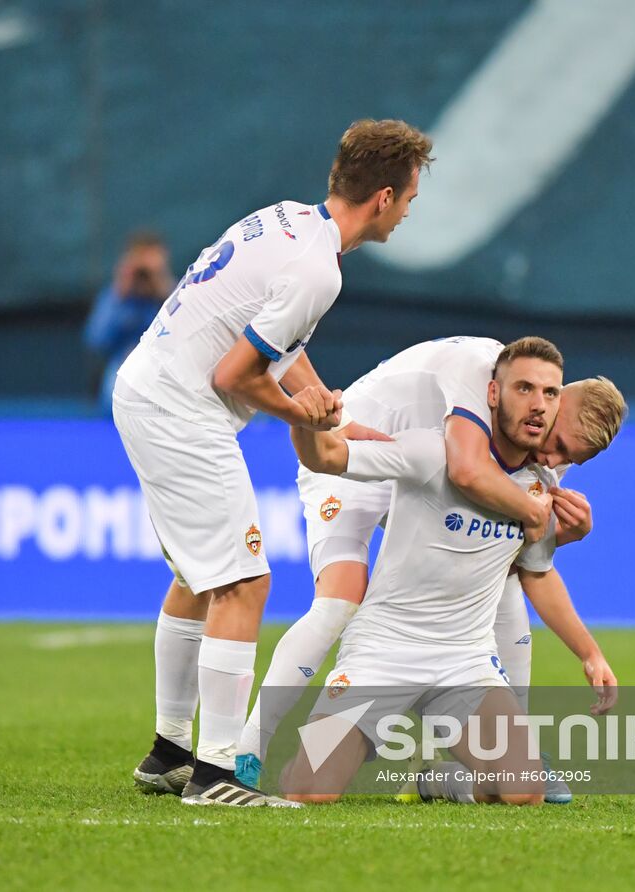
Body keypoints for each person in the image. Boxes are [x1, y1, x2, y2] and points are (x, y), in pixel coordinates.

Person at [114, 119, 434, 807]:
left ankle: (170, 752)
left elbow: (272, 342)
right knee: (245, 582)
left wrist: (325, 403)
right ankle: (216, 774)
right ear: (382, 196)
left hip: (149, 387)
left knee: (199, 578)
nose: (408, 211)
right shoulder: (319, 270)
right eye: (408, 198)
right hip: (180, 407)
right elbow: (237, 374)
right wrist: (306, 416)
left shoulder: (288, 222)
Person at [236, 336, 628, 790]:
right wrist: (306, 419)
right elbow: (462, 470)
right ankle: (248, 747)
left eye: (569, 460)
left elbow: (534, 567)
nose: (553, 463)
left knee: (523, 784)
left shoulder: (537, 465)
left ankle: (472, 764)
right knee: (338, 601)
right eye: (557, 446)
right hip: (360, 442)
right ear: (497, 392)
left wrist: (559, 543)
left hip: (460, 658)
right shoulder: (461, 406)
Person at [83, 231, 172, 409]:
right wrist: (121, 294)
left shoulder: (174, 294)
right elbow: (95, 340)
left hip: (166, 368)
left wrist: (163, 291)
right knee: (115, 394)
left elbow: (186, 336)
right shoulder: (116, 295)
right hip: (123, 366)